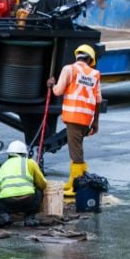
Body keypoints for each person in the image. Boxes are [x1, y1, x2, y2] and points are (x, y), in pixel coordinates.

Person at [50, 44, 101, 197]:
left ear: (77, 56)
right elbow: (98, 100)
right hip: (86, 119)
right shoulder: (95, 74)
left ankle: (78, 185)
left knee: (75, 153)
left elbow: (58, 91)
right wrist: (95, 122)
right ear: (90, 59)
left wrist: (51, 85)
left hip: (73, 117)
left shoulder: (69, 69)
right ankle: (75, 180)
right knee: (77, 148)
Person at [0, 140, 48, 228]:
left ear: (9, 154)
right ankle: (30, 217)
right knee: (39, 191)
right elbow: (42, 184)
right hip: (28, 201)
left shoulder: (3, 166)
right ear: (24, 154)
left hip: (8, 203)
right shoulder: (30, 162)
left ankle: (4, 216)